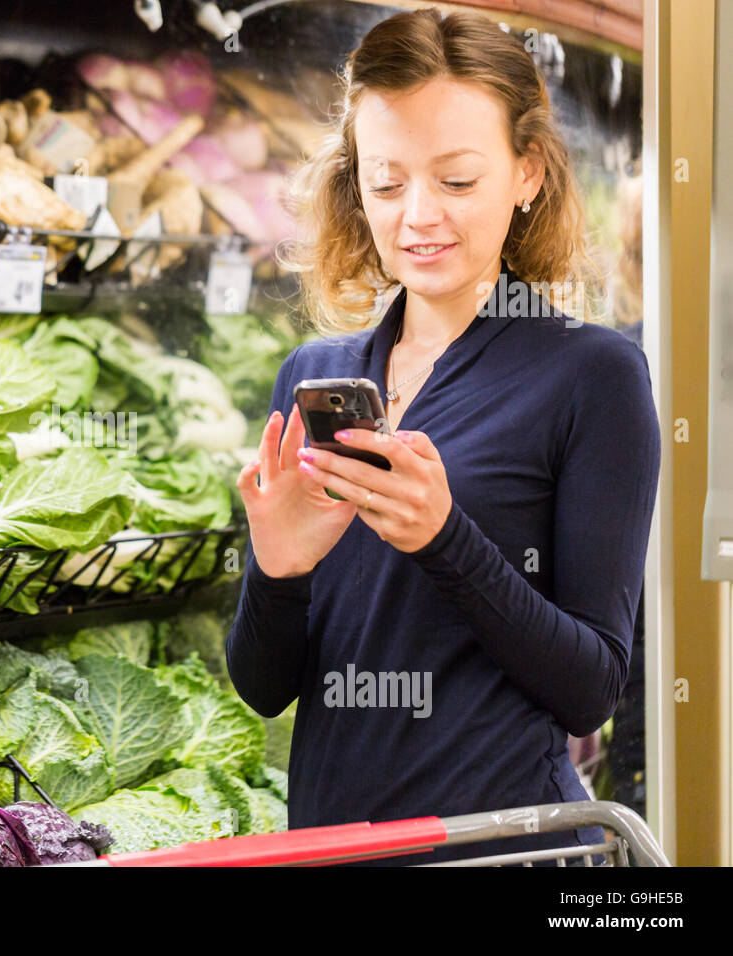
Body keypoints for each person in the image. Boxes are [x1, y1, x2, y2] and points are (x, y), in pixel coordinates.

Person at [227, 7, 661, 865]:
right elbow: (264, 688)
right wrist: (278, 568)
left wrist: (445, 538)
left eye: (457, 181)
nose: (418, 215)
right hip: (334, 846)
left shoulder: (593, 377)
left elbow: (590, 689)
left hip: (500, 849)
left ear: (527, 172)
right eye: (387, 184)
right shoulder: (316, 378)